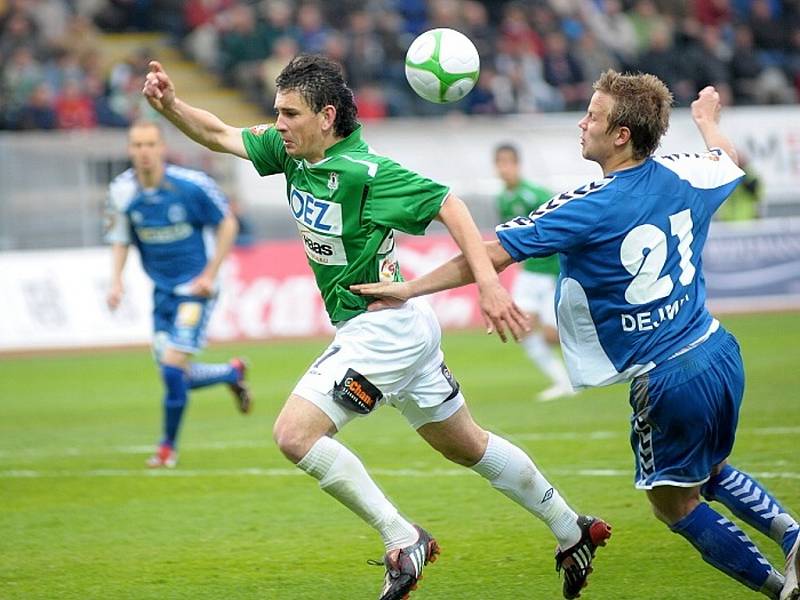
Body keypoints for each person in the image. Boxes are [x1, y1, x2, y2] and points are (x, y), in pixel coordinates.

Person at [142, 54, 611, 600]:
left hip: (381, 329)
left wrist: (487, 285)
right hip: (398, 326)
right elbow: (219, 133)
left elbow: (450, 206)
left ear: (327, 117)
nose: (279, 124)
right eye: (277, 112)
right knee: (467, 446)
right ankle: (571, 528)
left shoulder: (369, 173)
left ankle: (401, 537)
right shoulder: (289, 151)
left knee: (294, 435)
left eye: (290, 113)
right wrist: (171, 104)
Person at [353, 71, 800, 600]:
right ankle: (792, 535)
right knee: (711, 469)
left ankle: (780, 589)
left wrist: (411, 289)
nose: (583, 122)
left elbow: (492, 252)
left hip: (668, 377)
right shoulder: (689, 173)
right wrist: (706, 122)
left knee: (673, 503)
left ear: (621, 136)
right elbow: (729, 159)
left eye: (594, 114)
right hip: (718, 350)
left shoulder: (587, 205)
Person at [106, 120, 252, 469]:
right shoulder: (122, 191)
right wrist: (116, 281)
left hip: (195, 291)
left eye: (150, 144)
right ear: (130, 150)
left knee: (172, 371)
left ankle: (166, 449)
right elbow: (121, 237)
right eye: (137, 145)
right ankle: (232, 373)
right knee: (175, 374)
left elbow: (227, 222)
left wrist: (210, 274)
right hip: (162, 294)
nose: (143, 151)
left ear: (161, 148)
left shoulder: (191, 185)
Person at [493, 143, 574, 401]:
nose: (503, 169)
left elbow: (559, 228)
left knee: (551, 336)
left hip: (551, 272)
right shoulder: (503, 199)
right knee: (521, 328)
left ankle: (596, 353)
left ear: (517, 164)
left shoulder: (535, 194)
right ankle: (562, 382)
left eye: (508, 163)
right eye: (499, 163)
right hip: (529, 274)